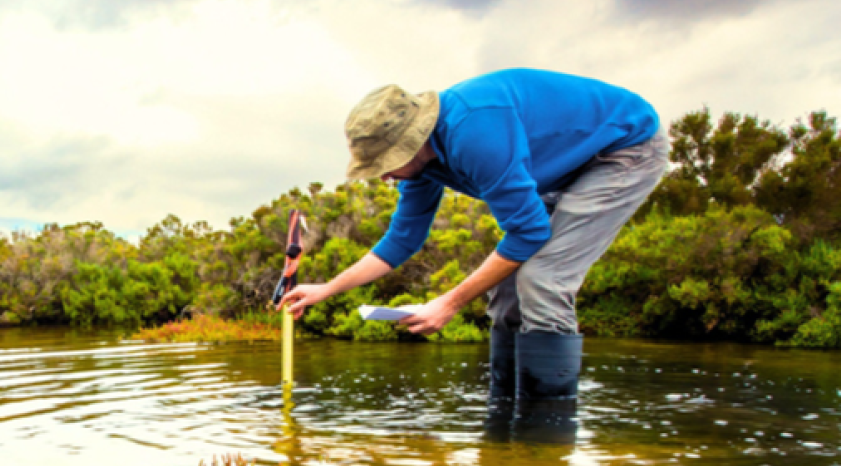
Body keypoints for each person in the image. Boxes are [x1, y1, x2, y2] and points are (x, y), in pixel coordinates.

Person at [279, 68, 669, 440]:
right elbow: (403, 239)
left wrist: (448, 303)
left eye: (388, 163)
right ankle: (502, 421)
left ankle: (546, 435)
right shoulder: (423, 166)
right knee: (506, 289)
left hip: (622, 149)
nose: (384, 175)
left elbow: (528, 232)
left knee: (542, 279)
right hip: (564, 166)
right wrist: (326, 289)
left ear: (413, 142)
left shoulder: (475, 133)